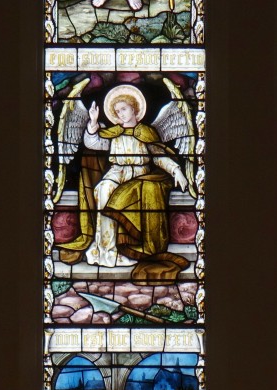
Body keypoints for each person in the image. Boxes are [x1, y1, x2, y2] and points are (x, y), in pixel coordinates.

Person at [59, 85, 188, 280]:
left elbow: (158, 156)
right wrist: (93, 123)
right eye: (117, 111)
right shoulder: (113, 133)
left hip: (139, 174)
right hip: (117, 171)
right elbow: (93, 143)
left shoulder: (146, 132)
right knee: (103, 190)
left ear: (134, 108)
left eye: (124, 109)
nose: (121, 114)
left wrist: (176, 170)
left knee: (128, 195)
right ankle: (106, 249)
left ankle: (125, 248)